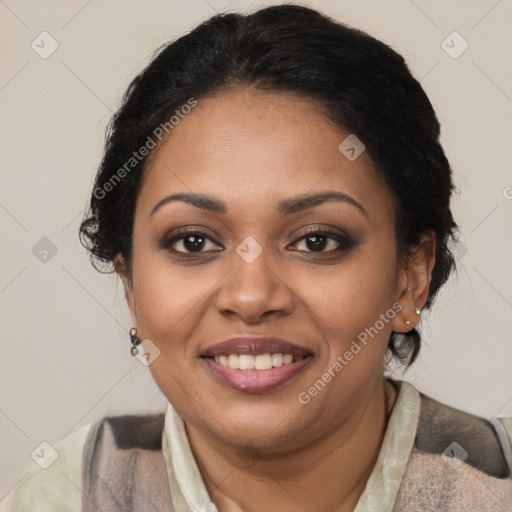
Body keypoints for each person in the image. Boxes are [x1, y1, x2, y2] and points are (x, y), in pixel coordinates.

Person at [2, 4, 511, 511]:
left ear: (411, 276)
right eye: (194, 242)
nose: (250, 297)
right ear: (130, 283)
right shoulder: (64, 495)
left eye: (316, 241)